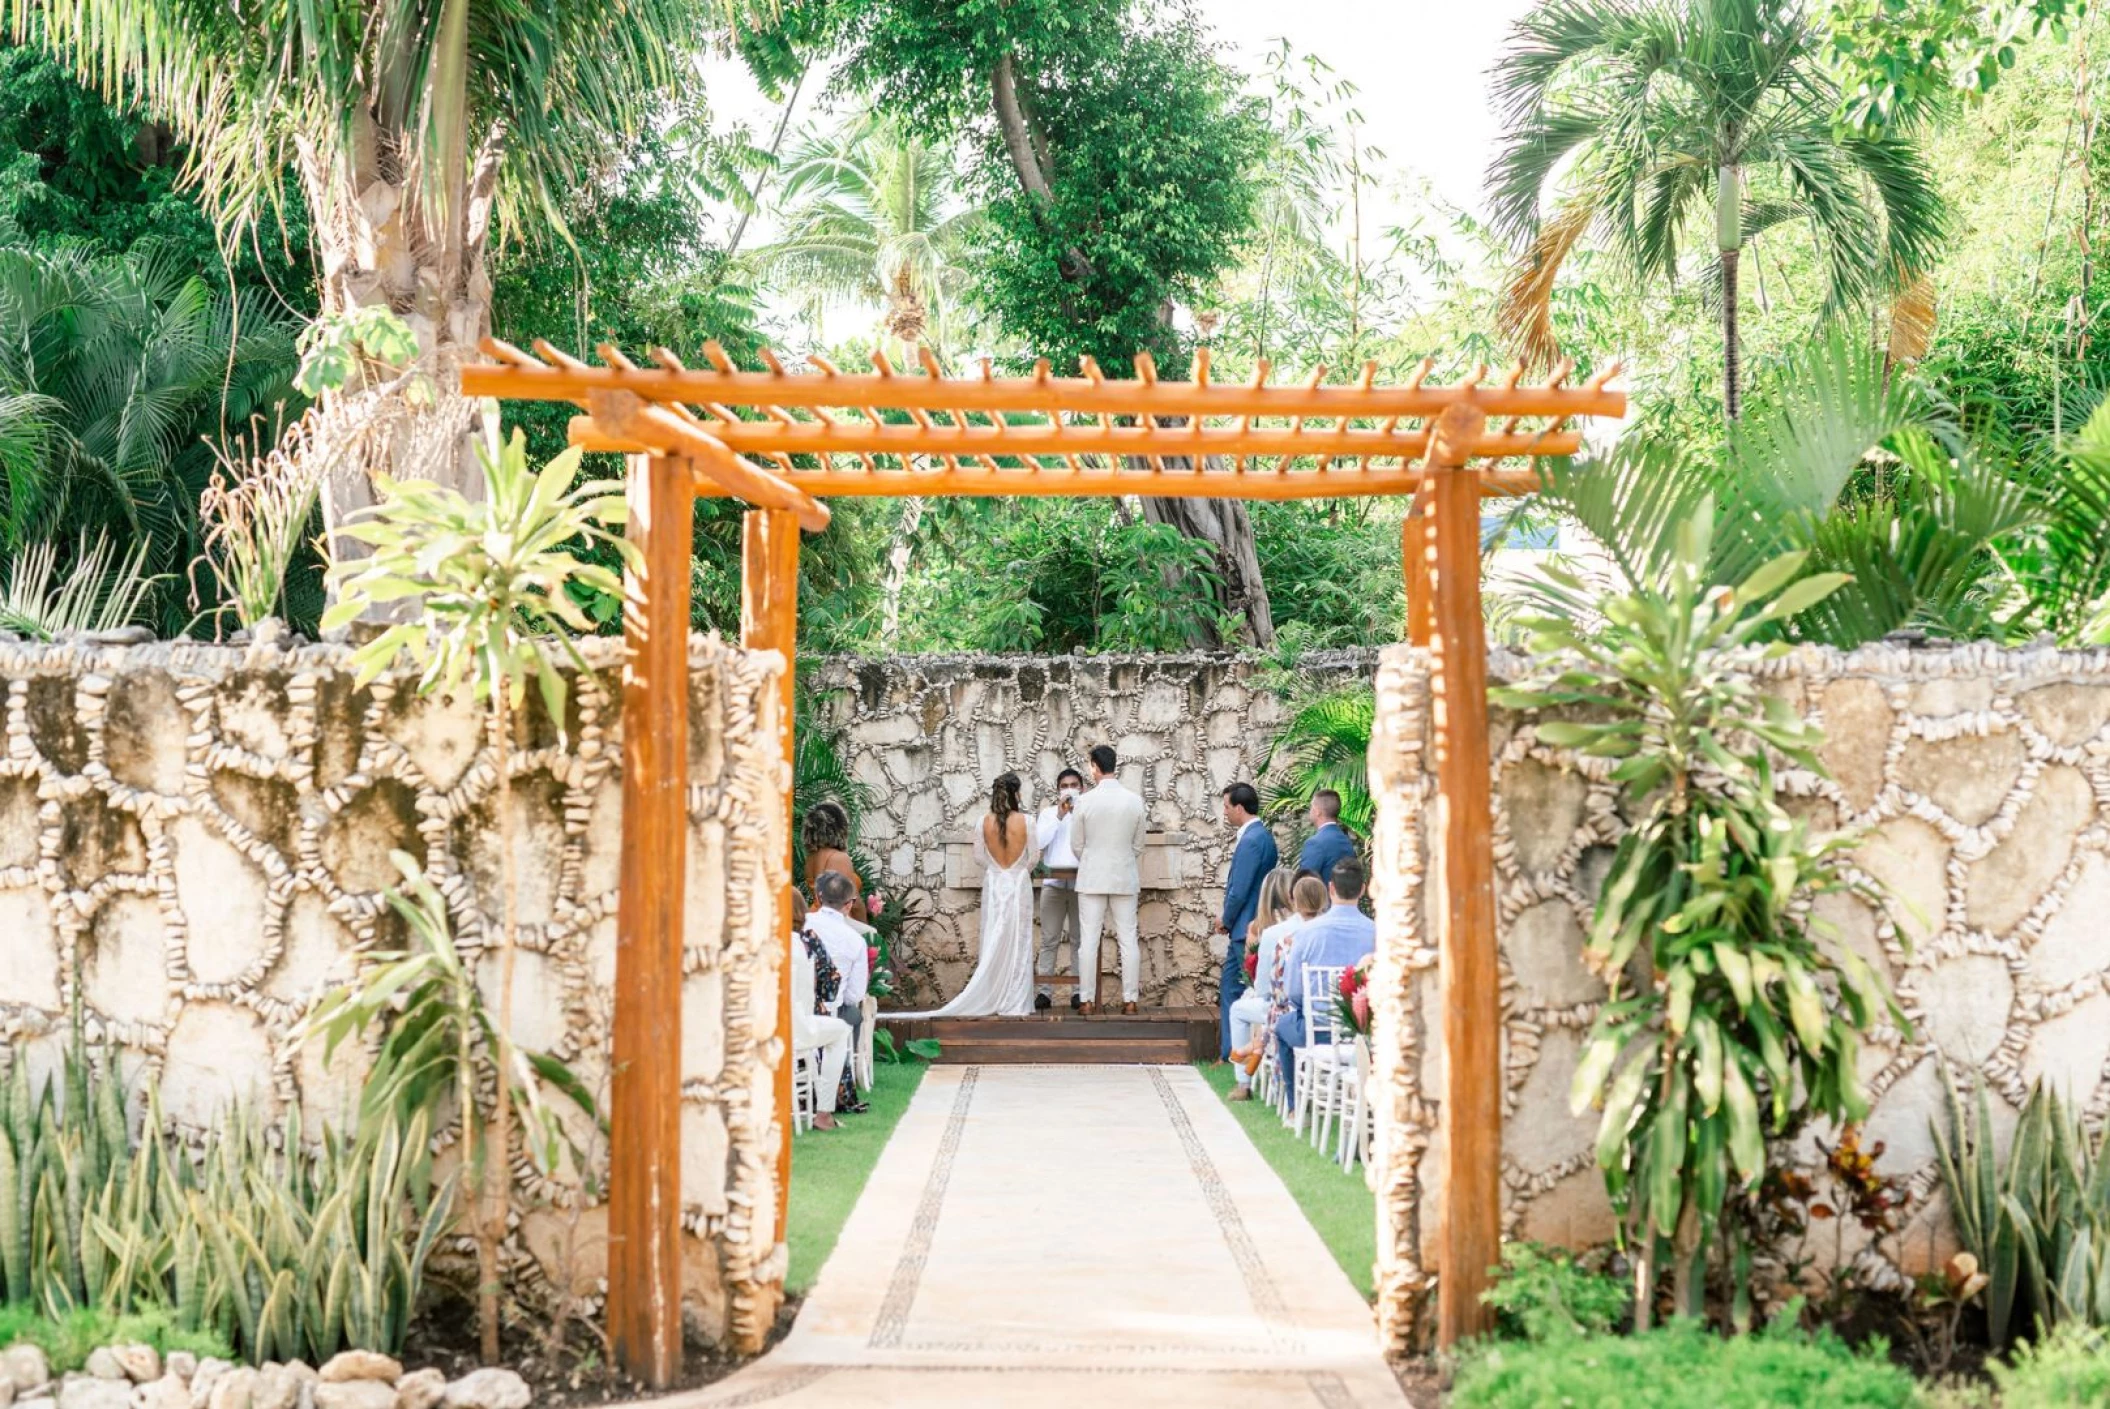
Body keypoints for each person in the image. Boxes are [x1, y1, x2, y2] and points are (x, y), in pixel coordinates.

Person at [893, 773, 1040, 1018]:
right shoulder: (1028, 821)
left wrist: (997, 870)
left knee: (994, 934)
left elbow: (979, 857)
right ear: (1016, 794)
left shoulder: (982, 822)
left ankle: (992, 994)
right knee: (1017, 940)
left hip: (994, 883)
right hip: (1017, 883)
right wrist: (1018, 873)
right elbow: (1034, 856)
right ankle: (1014, 998)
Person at [1273, 857, 1376, 1108]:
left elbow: (1293, 991)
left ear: (1331, 888)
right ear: (1363, 889)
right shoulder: (1377, 932)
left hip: (1317, 1031)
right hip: (1364, 1032)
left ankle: (1295, 1106)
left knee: (1281, 1027)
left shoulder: (1307, 934)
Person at [1069, 744, 1149, 1014]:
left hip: (1092, 875)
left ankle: (1087, 1001)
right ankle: (1130, 1000)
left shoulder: (1084, 801)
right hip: (1124, 874)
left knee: (1088, 941)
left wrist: (1092, 859)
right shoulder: (1134, 800)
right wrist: (1123, 857)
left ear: (1094, 766)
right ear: (1115, 765)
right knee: (1128, 938)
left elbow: (1076, 844)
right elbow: (1139, 845)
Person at [1222, 867, 1298, 1100]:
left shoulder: (1269, 932)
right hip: (1306, 1008)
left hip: (1280, 1008)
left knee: (1238, 1010)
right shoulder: (1311, 926)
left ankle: (1243, 1083)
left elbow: (1264, 988)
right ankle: (1255, 1051)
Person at [1215, 782, 1278, 1060]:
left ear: (1239, 808)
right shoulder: (1262, 836)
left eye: (1227, 807)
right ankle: (1230, 1051)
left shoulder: (1252, 840)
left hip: (1245, 928)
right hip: (1246, 925)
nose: (1225, 812)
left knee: (1243, 989)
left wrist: (1226, 919)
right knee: (1229, 985)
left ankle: (1238, 1054)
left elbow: (1239, 888)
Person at [808, 870, 873, 1113]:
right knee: (853, 1015)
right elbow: (854, 996)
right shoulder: (855, 940)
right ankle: (840, 1080)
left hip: (794, 1007)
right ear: (850, 904)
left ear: (818, 895)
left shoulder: (802, 924)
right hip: (831, 1011)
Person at [788, 893, 852, 1131]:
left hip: (758, 1029)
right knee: (841, 1031)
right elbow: (829, 989)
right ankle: (824, 1113)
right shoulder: (805, 942)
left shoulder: (759, 942)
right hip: (796, 1029)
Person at [1034, 766, 1087, 1010]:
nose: (1069, 790)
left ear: (1082, 788)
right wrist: (1059, 815)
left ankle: (1079, 992)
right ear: (1057, 790)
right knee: (1049, 939)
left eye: (1073, 785)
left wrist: (1076, 813)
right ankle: (1044, 992)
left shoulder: (1087, 812)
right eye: (1064, 786)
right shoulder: (1047, 814)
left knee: (1079, 940)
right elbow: (1040, 842)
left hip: (1080, 885)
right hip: (1053, 885)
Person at [803, 802, 868, 924]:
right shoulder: (839, 858)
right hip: (838, 924)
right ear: (839, 828)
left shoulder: (811, 858)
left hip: (816, 920)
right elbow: (854, 903)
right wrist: (868, 932)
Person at [1298, 790, 1356, 885]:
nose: (1310, 810)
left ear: (1317, 812)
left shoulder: (1315, 843)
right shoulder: (1346, 841)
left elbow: (1303, 884)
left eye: (1311, 807)